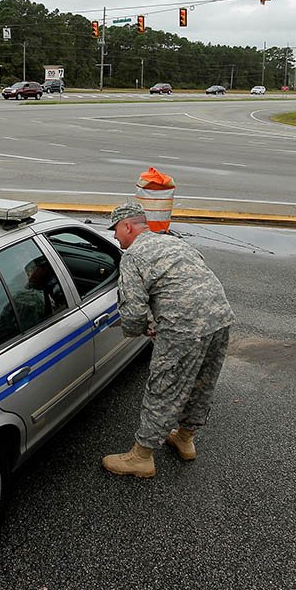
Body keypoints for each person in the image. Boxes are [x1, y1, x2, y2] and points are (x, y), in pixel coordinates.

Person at [101, 202, 235, 478]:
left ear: (128, 225)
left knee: (164, 387)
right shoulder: (174, 243)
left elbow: (133, 309)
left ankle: (141, 457)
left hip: (183, 328)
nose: (115, 237)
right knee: (202, 381)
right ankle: (185, 439)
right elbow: (192, 278)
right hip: (220, 318)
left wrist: (138, 328)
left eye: (115, 230)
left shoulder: (134, 255)